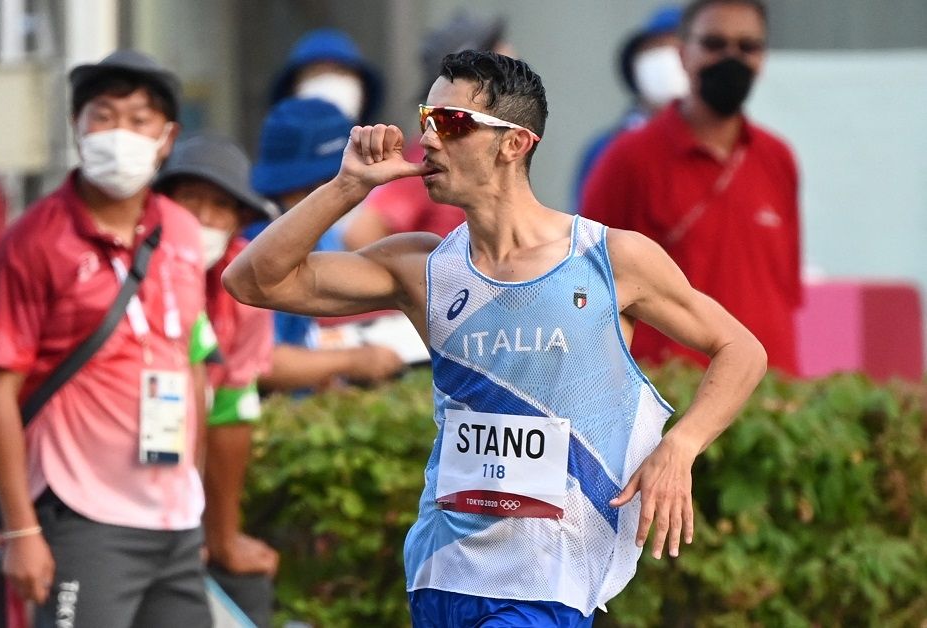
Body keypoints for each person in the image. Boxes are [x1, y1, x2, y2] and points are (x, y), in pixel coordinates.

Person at [223, 50, 766, 625]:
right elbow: (253, 280)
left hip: (548, 582)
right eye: (426, 118)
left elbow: (741, 350)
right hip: (442, 572)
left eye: (452, 123)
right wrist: (347, 186)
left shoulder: (609, 259)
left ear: (515, 143)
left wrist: (680, 448)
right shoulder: (421, 267)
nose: (427, 139)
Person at [0, 50, 216, 627]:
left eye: (139, 120)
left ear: (167, 138)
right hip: (80, 513)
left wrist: (195, 494)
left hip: (174, 519)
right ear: (76, 127)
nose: (120, 134)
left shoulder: (183, 231)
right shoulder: (34, 240)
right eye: (103, 115)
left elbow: (190, 366)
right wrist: (21, 530)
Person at [581, 0, 801, 374]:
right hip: (669, 396)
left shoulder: (778, 159)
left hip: (769, 397)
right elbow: (584, 286)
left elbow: (784, 289)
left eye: (747, 46)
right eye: (715, 44)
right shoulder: (627, 159)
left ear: (762, 59)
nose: (732, 58)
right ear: (683, 55)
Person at [152, 133, 279, 627]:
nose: (202, 218)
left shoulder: (245, 278)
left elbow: (232, 405)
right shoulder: (134, 266)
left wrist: (221, 538)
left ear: (239, 223)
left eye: (220, 206)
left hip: (180, 497)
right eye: (191, 200)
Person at [249, 97, 404, 395]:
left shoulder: (311, 231)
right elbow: (260, 360)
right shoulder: (259, 239)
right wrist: (353, 361)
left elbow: (300, 342)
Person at [341, 10, 513, 250]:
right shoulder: (432, 159)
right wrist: (424, 281)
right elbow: (361, 234)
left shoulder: (495, 151)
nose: (512, 58)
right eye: (498, 60)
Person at [572, 5, 687, 206]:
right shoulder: (605, 149)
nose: (665, 65)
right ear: (635, 67)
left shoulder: (722, 150)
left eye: (677, 51)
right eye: (654, 51)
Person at [268, 28, 384, 124]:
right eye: (316, 73)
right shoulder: (273, 151)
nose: (329, 82)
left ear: (364, 94)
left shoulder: (393, 151)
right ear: (292, 91)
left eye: (340, 72)